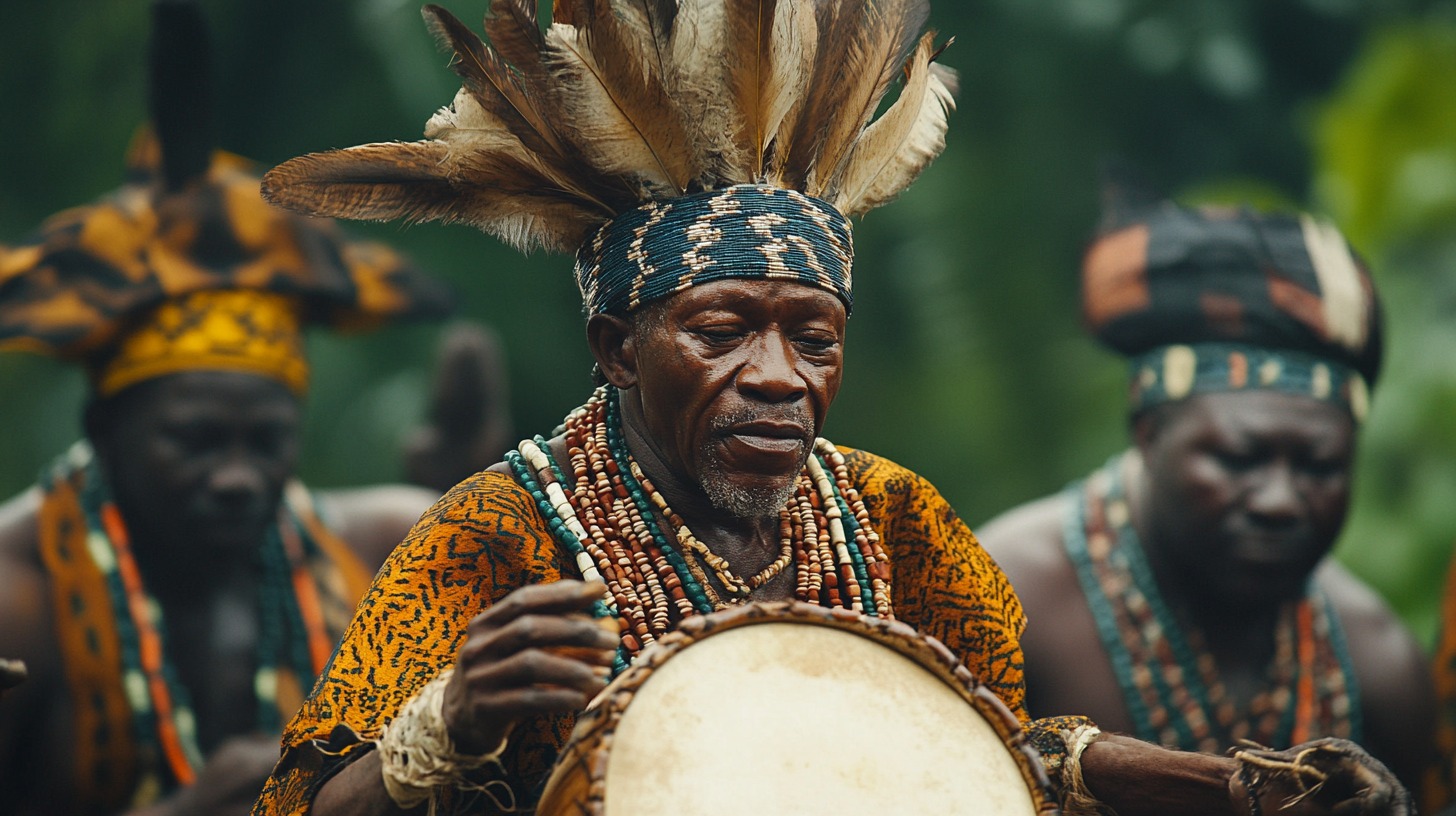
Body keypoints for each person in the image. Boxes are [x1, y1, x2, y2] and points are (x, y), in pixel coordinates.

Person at [253, 1, 1412, 814]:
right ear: (616, 345)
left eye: (813, 338)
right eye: (720, 331)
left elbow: (999, 760)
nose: (776, 376)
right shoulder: (492, 536)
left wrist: (1243, 786)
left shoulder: (893, 519)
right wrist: (443, 726)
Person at [0, 3, 478, 814]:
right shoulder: (18, 598)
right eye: (194, 440)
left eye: (265, 440)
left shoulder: (388, 551)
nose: (234, 476)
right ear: (103, 429)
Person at [977, 182, 1439, 806]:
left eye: (1319, 466)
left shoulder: (1379, 665)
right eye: (1237, 458)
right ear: (1148, 432)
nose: (1280, 499)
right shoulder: (1003, 597)